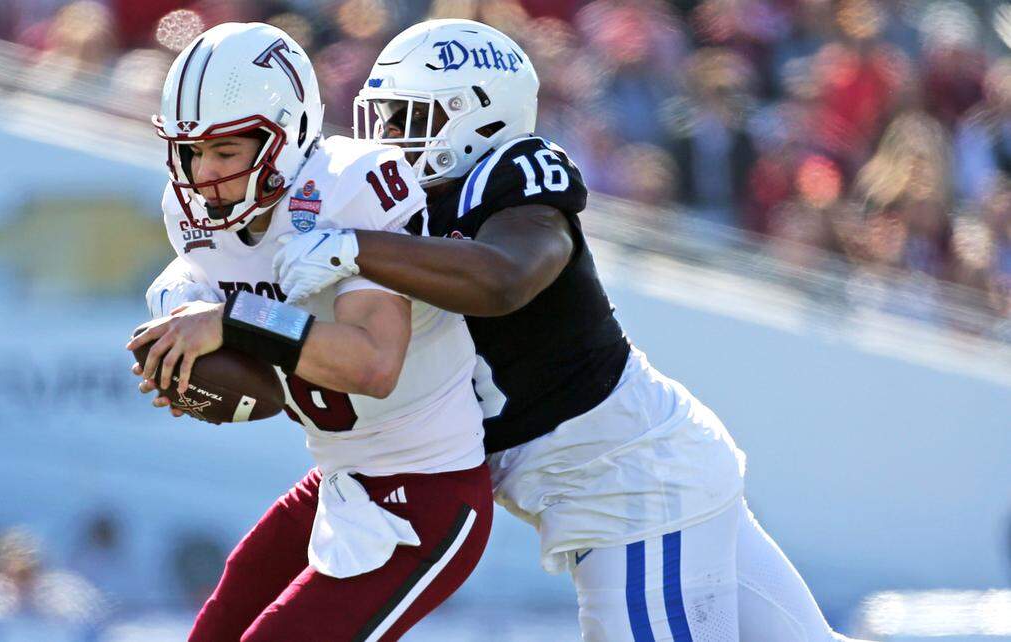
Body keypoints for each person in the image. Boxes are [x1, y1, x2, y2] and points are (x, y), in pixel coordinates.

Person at [274, 19, 865, 642]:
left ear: (477, 117)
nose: (386, 138)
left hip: (628, 485)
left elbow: (504, 278)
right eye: (383, 117)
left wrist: (353, 248)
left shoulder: (515, 173)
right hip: (631, 477)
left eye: (406, 118)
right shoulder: (391, 206)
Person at [126, 22, 492, 641]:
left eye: (225, 152)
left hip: (426, 493)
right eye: (190, 152)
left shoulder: (352, 184)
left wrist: (232, 321)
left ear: (288, 135)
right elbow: (243, 325)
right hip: (337, 479)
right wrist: (178, 322)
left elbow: (373, 365)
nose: (202, 175)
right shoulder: (185, 214)